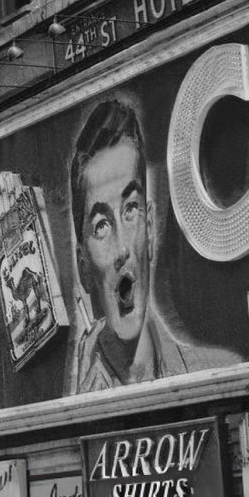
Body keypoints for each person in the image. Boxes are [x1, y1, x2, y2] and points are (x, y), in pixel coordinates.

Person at [68, 98, 192, 394]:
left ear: (149, 229)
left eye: (130, 209)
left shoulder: (211, 369)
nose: (122, 249)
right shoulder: (72, 393)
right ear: (83, 266)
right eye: (101, 225)